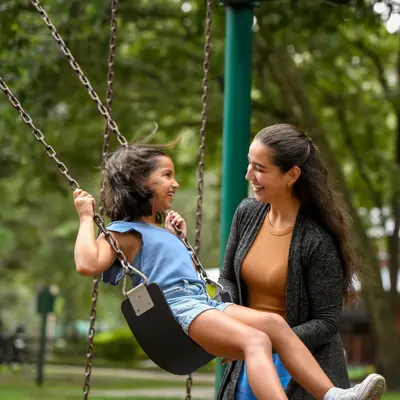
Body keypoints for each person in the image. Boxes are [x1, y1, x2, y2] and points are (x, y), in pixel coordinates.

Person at [73, 143, 385, 400]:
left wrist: (173, 236)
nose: (175, 183)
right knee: (255, 341)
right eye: (167, 175)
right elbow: (87, 264)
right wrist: (87, 218)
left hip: (204, 303)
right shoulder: (121, 231)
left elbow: (166, 264)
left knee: (274, 324)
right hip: (178, 309)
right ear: (140, 182)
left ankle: (334, 396)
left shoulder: (154, 228)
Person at [217, 124, 366, 399]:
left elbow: (326, 322)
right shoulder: (247, 213)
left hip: (299, 367)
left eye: (260, 169)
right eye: (250, 164)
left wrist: (265, 342)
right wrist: (234, 331)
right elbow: (227, 277)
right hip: (248, 358)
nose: (248, 175)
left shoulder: (317, 241)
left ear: (292, 175)